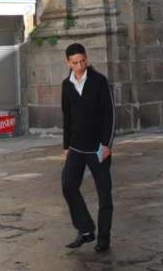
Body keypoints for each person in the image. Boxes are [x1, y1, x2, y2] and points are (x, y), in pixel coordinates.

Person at [60, 43, 114, 253]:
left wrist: (107, 144)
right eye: (75, 62)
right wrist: (66, 146)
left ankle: (103, 238)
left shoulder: (99, 81)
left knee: (104, 194)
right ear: (68, 63)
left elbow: (110, 113)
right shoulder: (66, 85)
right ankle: (85, 230)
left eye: (83, 60)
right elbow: (67, 117)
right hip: (76, 147)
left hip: (98, 148)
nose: (80, 65)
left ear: (86, 58)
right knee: (68, 185)